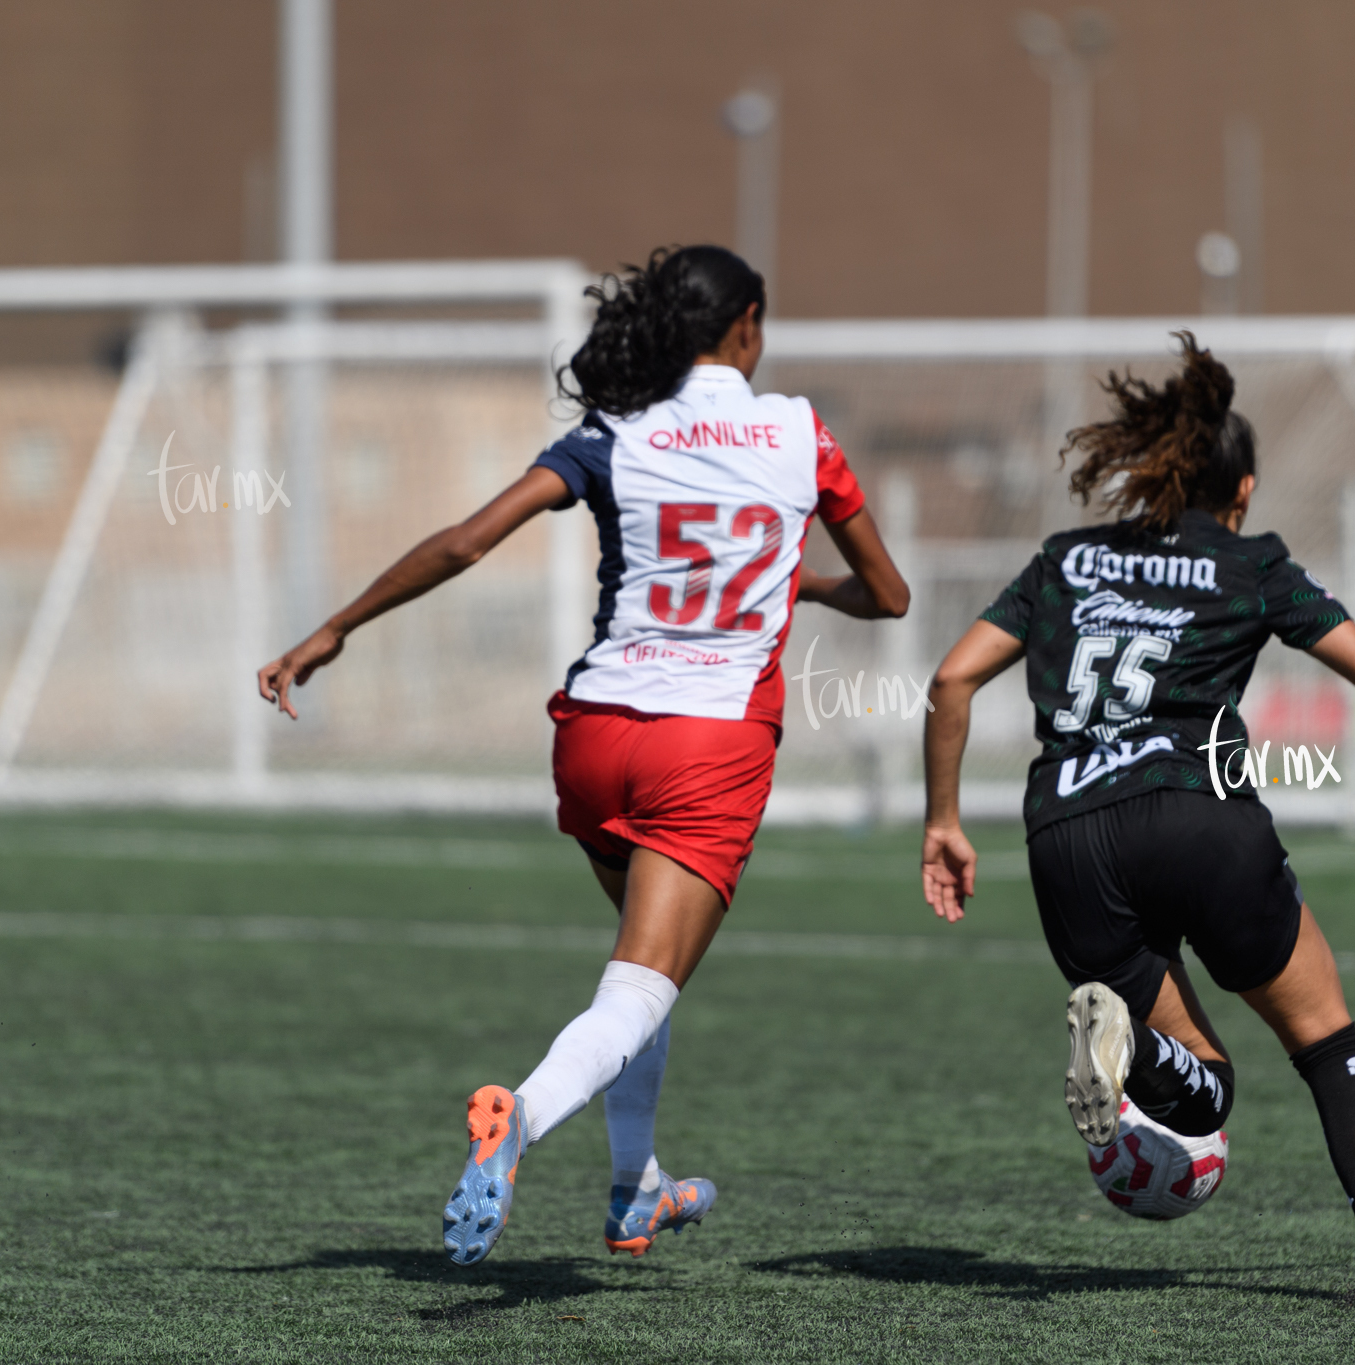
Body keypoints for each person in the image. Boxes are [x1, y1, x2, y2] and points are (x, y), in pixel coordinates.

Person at [257, 245, 910, 1265]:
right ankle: (522, 1114)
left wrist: (335, 627)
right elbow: (891, 594)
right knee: (641, 987)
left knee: (637, 979)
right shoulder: (798, 432)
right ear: (745, 325)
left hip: (595, 732)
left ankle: (633, 1189)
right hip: (711, 741)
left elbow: (468, 540)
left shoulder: (613, 432)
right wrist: (800, 581)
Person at [917, 335, 1355, 1308]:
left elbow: (952, 677)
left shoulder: (1066, 559)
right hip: (1197, 820)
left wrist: (942, 819)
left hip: (1064, 836)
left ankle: (1130, 1050)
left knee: (1207, 1086)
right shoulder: (1251, 563)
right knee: (1323, 1040)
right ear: (1243, 487)